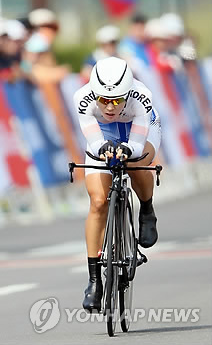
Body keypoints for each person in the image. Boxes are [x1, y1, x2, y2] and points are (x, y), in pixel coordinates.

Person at [73, 57, 161, 312]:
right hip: (103, 133)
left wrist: (127, 149)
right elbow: (93, 141)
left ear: (128, 93)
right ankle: (93, 281)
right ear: (94, 94)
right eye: (104, 100)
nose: (110, 106)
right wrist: (104, 148)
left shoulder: (142, 96)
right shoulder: (82, 97)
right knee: (98, 201)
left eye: (117, 100)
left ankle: (146, 209)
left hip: (137, 130)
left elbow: (136, 143)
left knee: (135, 162)